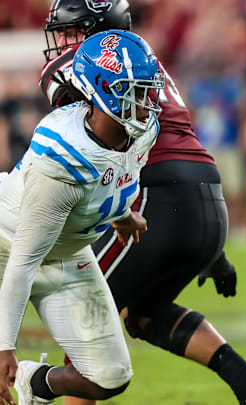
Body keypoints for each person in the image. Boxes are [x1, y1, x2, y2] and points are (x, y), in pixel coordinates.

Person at [40, 1, 246, 404]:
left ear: (99, 29)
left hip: (158, 197)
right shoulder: (145, 59)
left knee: (85, 318)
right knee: (144, 313)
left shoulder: (89, 62)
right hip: (205, 196)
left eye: (71, 31)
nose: (63, 42)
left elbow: (87, 143)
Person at [0, 29, 163, 405]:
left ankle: (33, 383)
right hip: (7, 248)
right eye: (135, 91)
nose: (147, 101)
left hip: (65, 254)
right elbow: (22, 261)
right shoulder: (60, 161)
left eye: (147, 89)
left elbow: (113, 177)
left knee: (110, 376)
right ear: (104, 91)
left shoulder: (140, 132)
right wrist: (4, 345)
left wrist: (122, 214)